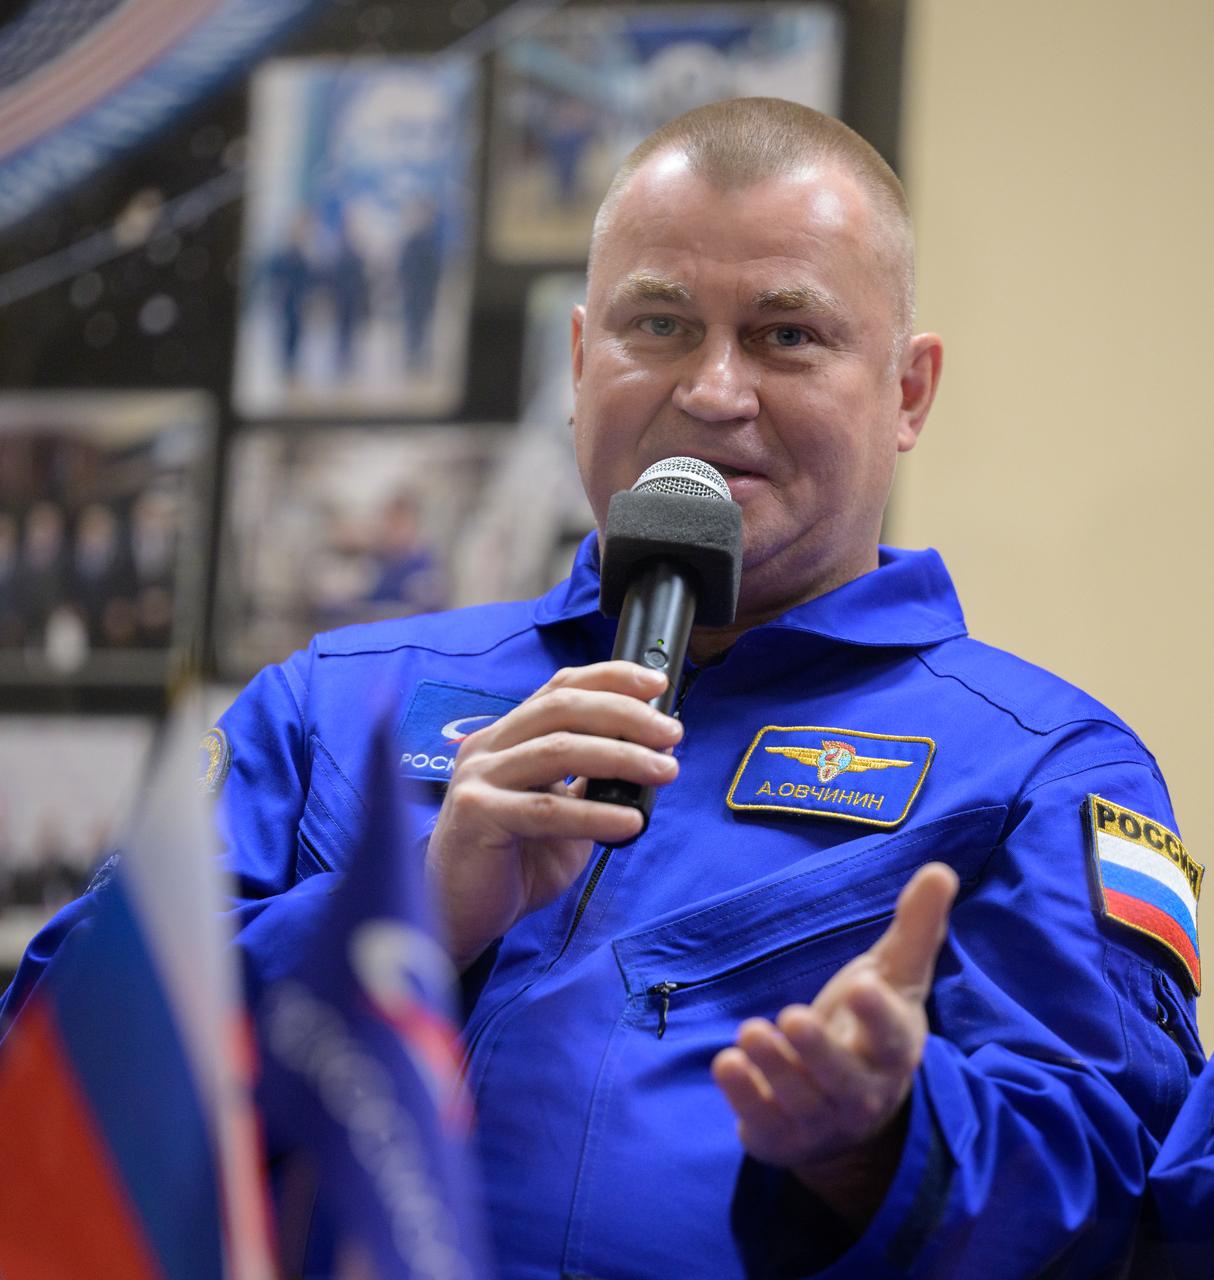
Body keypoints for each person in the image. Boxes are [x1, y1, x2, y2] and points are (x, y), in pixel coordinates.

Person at [1, 98, 1204, 1276]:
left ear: (906, 392)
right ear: (580, 361)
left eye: (787, 335)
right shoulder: (332, 701)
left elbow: (1111, 1197)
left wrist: (881, 1136)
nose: (713, 390)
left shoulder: (1045, 769)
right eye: (660, 324)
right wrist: (404, 914)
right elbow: (54, 1065)